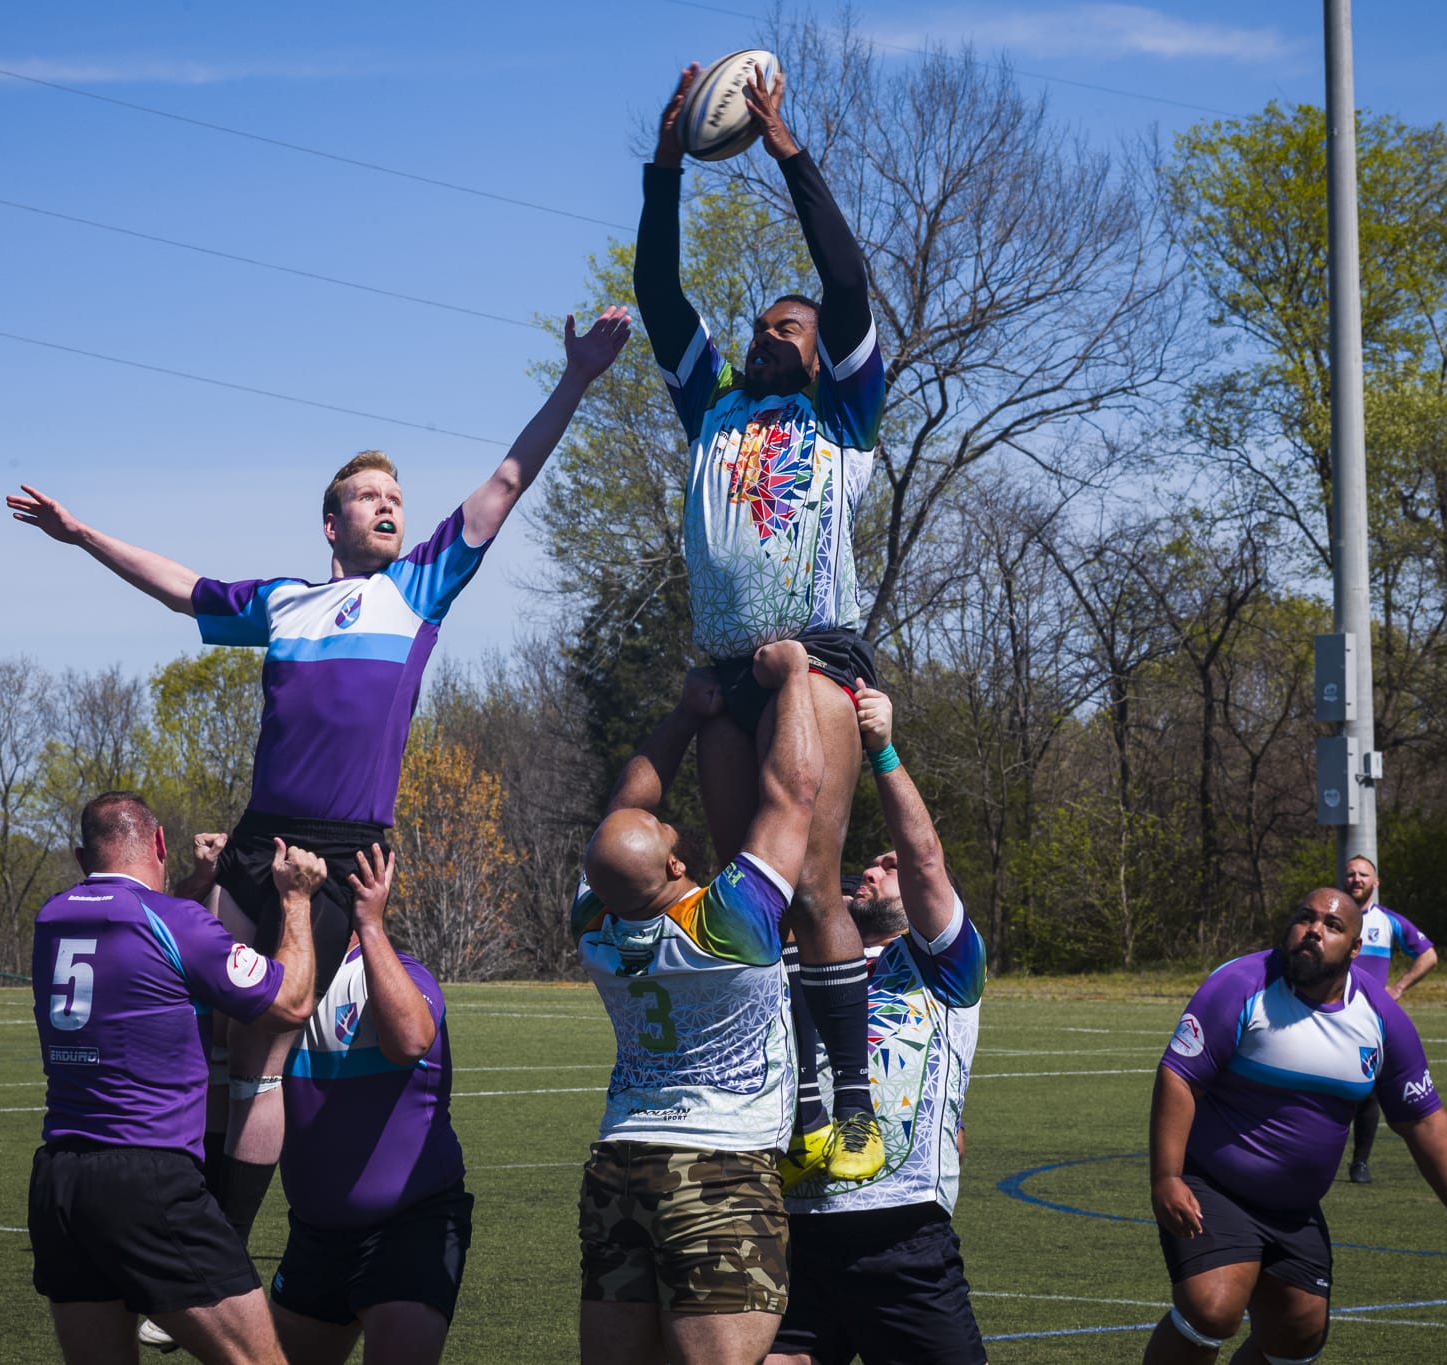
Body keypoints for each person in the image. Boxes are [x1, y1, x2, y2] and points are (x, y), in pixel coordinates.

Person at [8, 307, 632, 1240]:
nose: (388, 505)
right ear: (330, 519)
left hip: (338, 857)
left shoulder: (418, 588)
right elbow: (183, 586)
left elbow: (508, 478)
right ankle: (162, 1213)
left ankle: (215, 1247)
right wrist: (84, 533)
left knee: (263, 1045)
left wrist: (576, 379)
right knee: (209, 1041)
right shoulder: (285, 602)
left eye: (397, 498)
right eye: (369, 495)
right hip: (257, 837)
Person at [637, 60, 886, 1182]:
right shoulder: (712, 410)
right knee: (750, 891)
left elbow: (843, 281)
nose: (771, 329)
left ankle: (855, 1109)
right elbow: (658, 296)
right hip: (727, 667)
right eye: (762, 322)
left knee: (818, 883)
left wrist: (787, 153)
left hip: (813, 659)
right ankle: (784, 1111)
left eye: (788, 323)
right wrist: (661, 170)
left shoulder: (842, 410)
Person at [571, 646, 821, 1365]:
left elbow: (627, 810)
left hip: (619, 1163)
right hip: (717, 1168)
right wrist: (797, 676)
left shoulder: (593, 925)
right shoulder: (727, 923)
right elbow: (794, 793)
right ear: (676, 866)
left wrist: (686, 716)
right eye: (672, 836)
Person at [1143, 889, 1447, 1365]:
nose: (1314, 930)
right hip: (1213, 1186)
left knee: (1298, 1335)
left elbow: (1421, 1117)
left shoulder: (1382, 1018)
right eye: (1305, 919)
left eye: (1332, 927)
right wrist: (1166, 1176)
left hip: (1296, 1209)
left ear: (1355, 950)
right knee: (1212, 1307)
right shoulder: (1240, 985)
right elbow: (1180, 1076)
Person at [28, 791, 320, 1365]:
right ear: (159, 842)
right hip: (145, 1180)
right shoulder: (175, 922)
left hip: (59, 1184)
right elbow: (289, 1002)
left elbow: (143, 924)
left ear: (81, 857)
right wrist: (297, 901)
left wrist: (197, 882)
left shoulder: (53, 916)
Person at [768, 684, 988, 1365]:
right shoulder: (792, 956)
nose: (875, 864)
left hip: (901, 1235)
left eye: (887, 864)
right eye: (869, 861)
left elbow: (923, 856)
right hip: (793, 1230)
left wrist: (882, 749)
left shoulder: (941, 964)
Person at [270, 845, 470, 1365]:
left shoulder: (397, 972)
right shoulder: (280, 989)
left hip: (408, 1228)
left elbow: (409, 1039)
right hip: (314, 1236)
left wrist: (372, 926)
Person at [1341, 855, 1438, 1184]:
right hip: (1327, 1014)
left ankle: (1360, 1164)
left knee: (1368, 1090)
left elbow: (1429, 954)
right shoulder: (1331, 917)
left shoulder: (1388, 921)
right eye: (1351, 874)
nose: (1356, 879)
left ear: (1375, 882)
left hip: (1369, 1019)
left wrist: (1397, 987)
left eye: (1363, 874)